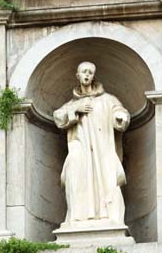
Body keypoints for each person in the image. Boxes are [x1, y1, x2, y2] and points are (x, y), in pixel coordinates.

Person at [53, 61, 130, 229]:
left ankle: (108, 216)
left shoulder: (108, 99)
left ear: (94, 76)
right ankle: (77, 218)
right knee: (75, 172)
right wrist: (77, 108)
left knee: (106, 178)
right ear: (77, 75)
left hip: (103, 148)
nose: (87, 75)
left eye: (90, 72)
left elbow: (120, 111)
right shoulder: (72, 103)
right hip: (79, 146)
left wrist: (120, 117)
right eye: (84, 72)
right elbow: (58, 117)